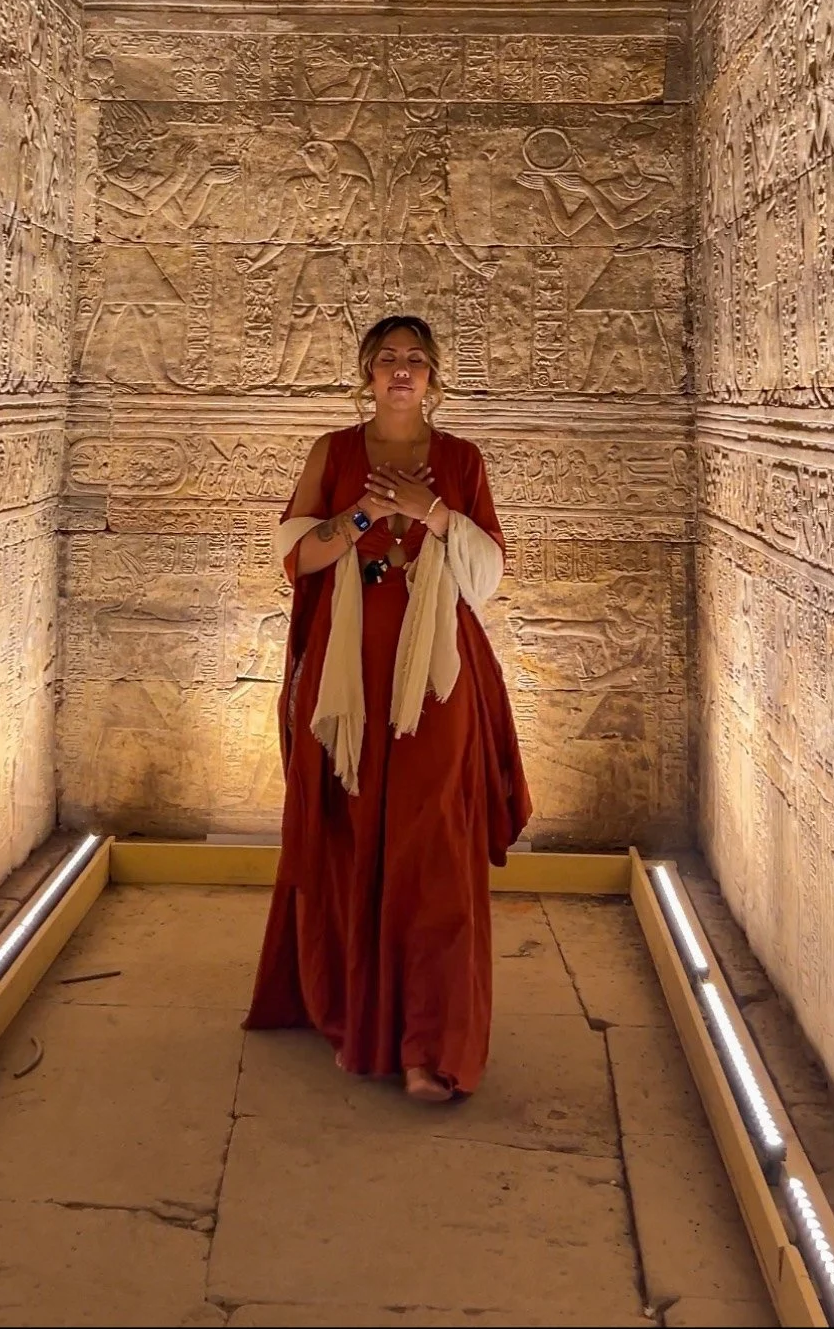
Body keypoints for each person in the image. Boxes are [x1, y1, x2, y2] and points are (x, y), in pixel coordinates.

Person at [246, 314, 531, 1100]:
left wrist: (433, 512)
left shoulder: (461, 460)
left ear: (433, 376)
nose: (401, 370)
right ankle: (358, 1018)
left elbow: (486, 571)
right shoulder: (333, 452)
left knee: (434, 840)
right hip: (350, 677)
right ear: (367, 374)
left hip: (437, 683)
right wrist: (364, 516)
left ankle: (429, 1044)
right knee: (353, 831)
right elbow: (297, 555)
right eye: (387, 358)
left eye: (415, 359)